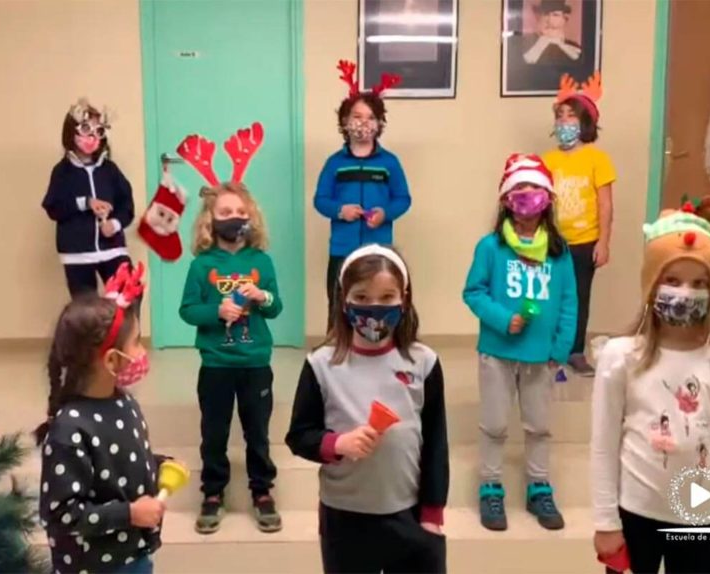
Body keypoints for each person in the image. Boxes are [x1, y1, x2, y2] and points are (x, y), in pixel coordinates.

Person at [590, 195, 710, 574]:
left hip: (703, 519)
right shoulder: (621, 357)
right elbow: (602, 446)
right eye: (672, 280)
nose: (685, 292)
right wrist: (605, 522)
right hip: (635, 515)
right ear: (652, 286)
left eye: (700, 283)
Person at [286, 244, 448, 573]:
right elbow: (299, 435)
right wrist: (336, 444)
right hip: (345, 516)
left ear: (404, 297)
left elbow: (435, 442)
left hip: (410, 512)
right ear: (343, 298)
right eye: (361, 298)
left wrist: (432, 514)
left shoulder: (423, 362)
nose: (374, 307)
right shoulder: (321, 365)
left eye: (387, 297)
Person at [462, 154, 577, 532]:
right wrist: (501, 319)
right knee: (494, 424)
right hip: (497, 353)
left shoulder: (559, 254)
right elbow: (473, 292)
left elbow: (568, 304)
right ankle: (491, 487)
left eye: (534, 194)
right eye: (518, 194)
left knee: (539, 425)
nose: (526, 203)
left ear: (547, 199)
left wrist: (559, 350)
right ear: (506, 200)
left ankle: (538, 486)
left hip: (540, 358)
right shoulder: (490, 247)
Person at [36, 263, 165, 573]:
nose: (141, 350)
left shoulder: (125, 403)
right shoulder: (69, 429)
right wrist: (130, 514)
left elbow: (117, 464)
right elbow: (61, 514)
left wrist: (159, 465)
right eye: (135, 342)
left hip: (133, 556)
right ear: (110, 359)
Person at [179, 182, 283, 535]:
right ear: (210, 220)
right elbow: (188, 310)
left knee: (258, 431)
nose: (234, 218)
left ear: (251, 219)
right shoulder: (201, 265)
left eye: (241, 213)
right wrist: (215, 311)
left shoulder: (261, 262)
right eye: (225, 213)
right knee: (214, 432)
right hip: (216, 366)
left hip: (256, 364)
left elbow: (276, 308)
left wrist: (264, 296)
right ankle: (212, 492)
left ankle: (262, 491)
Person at [314, 60, 410, 323]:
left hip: (378, 249)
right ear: (345, 122)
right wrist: (339, 210)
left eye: (370, 118)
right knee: (339, 304)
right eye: (357, 117)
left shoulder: (389, 162)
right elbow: (320, 200)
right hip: (342, 249)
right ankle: (336, 353)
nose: (363, 123)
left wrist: (385, 213)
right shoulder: (335, 163)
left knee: (377, 305)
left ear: (379, 123)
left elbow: (403, 199)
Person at [542, 72, 615, 376]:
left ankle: (575, 351)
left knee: (578, 297)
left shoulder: (598, 159)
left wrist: (604, 242)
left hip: (585, 241)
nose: (564, 122)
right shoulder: (547, 160)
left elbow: (605, 203)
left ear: (584, 122)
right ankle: (548, 348)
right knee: (549, 295)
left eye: (571, 116)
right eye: (559, 116)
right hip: (552, 241)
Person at [42, 98, 135, 298]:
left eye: (98, 132)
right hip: (77, 254)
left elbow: (126, 204)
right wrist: (85, 203)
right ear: (72, 132)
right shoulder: (62, 172)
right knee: (85, 310)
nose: (92, 138)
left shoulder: (110, 170)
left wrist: (116, 224)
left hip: (113, 249)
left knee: (129, 295)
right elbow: (53, 208)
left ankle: (125, 331)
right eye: (86, 130)